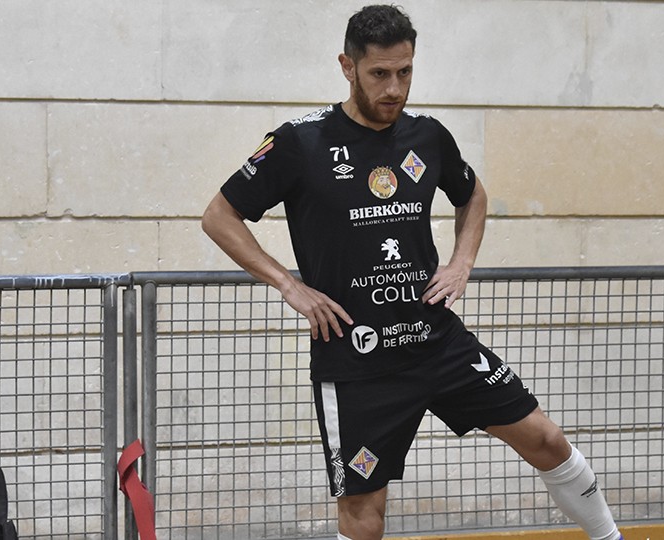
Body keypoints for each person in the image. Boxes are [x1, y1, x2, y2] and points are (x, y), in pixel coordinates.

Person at [201, 5, 624, 540]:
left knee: (546, 440)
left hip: (436, 341)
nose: (394, 88)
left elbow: (472, 196)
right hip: (356, 360)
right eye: (380, 73)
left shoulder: (427, 137)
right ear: (347, 66)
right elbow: (219, 216)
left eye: (405, 72)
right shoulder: (299, 143)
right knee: (364, 518)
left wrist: (461, 262)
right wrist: (289, 284)